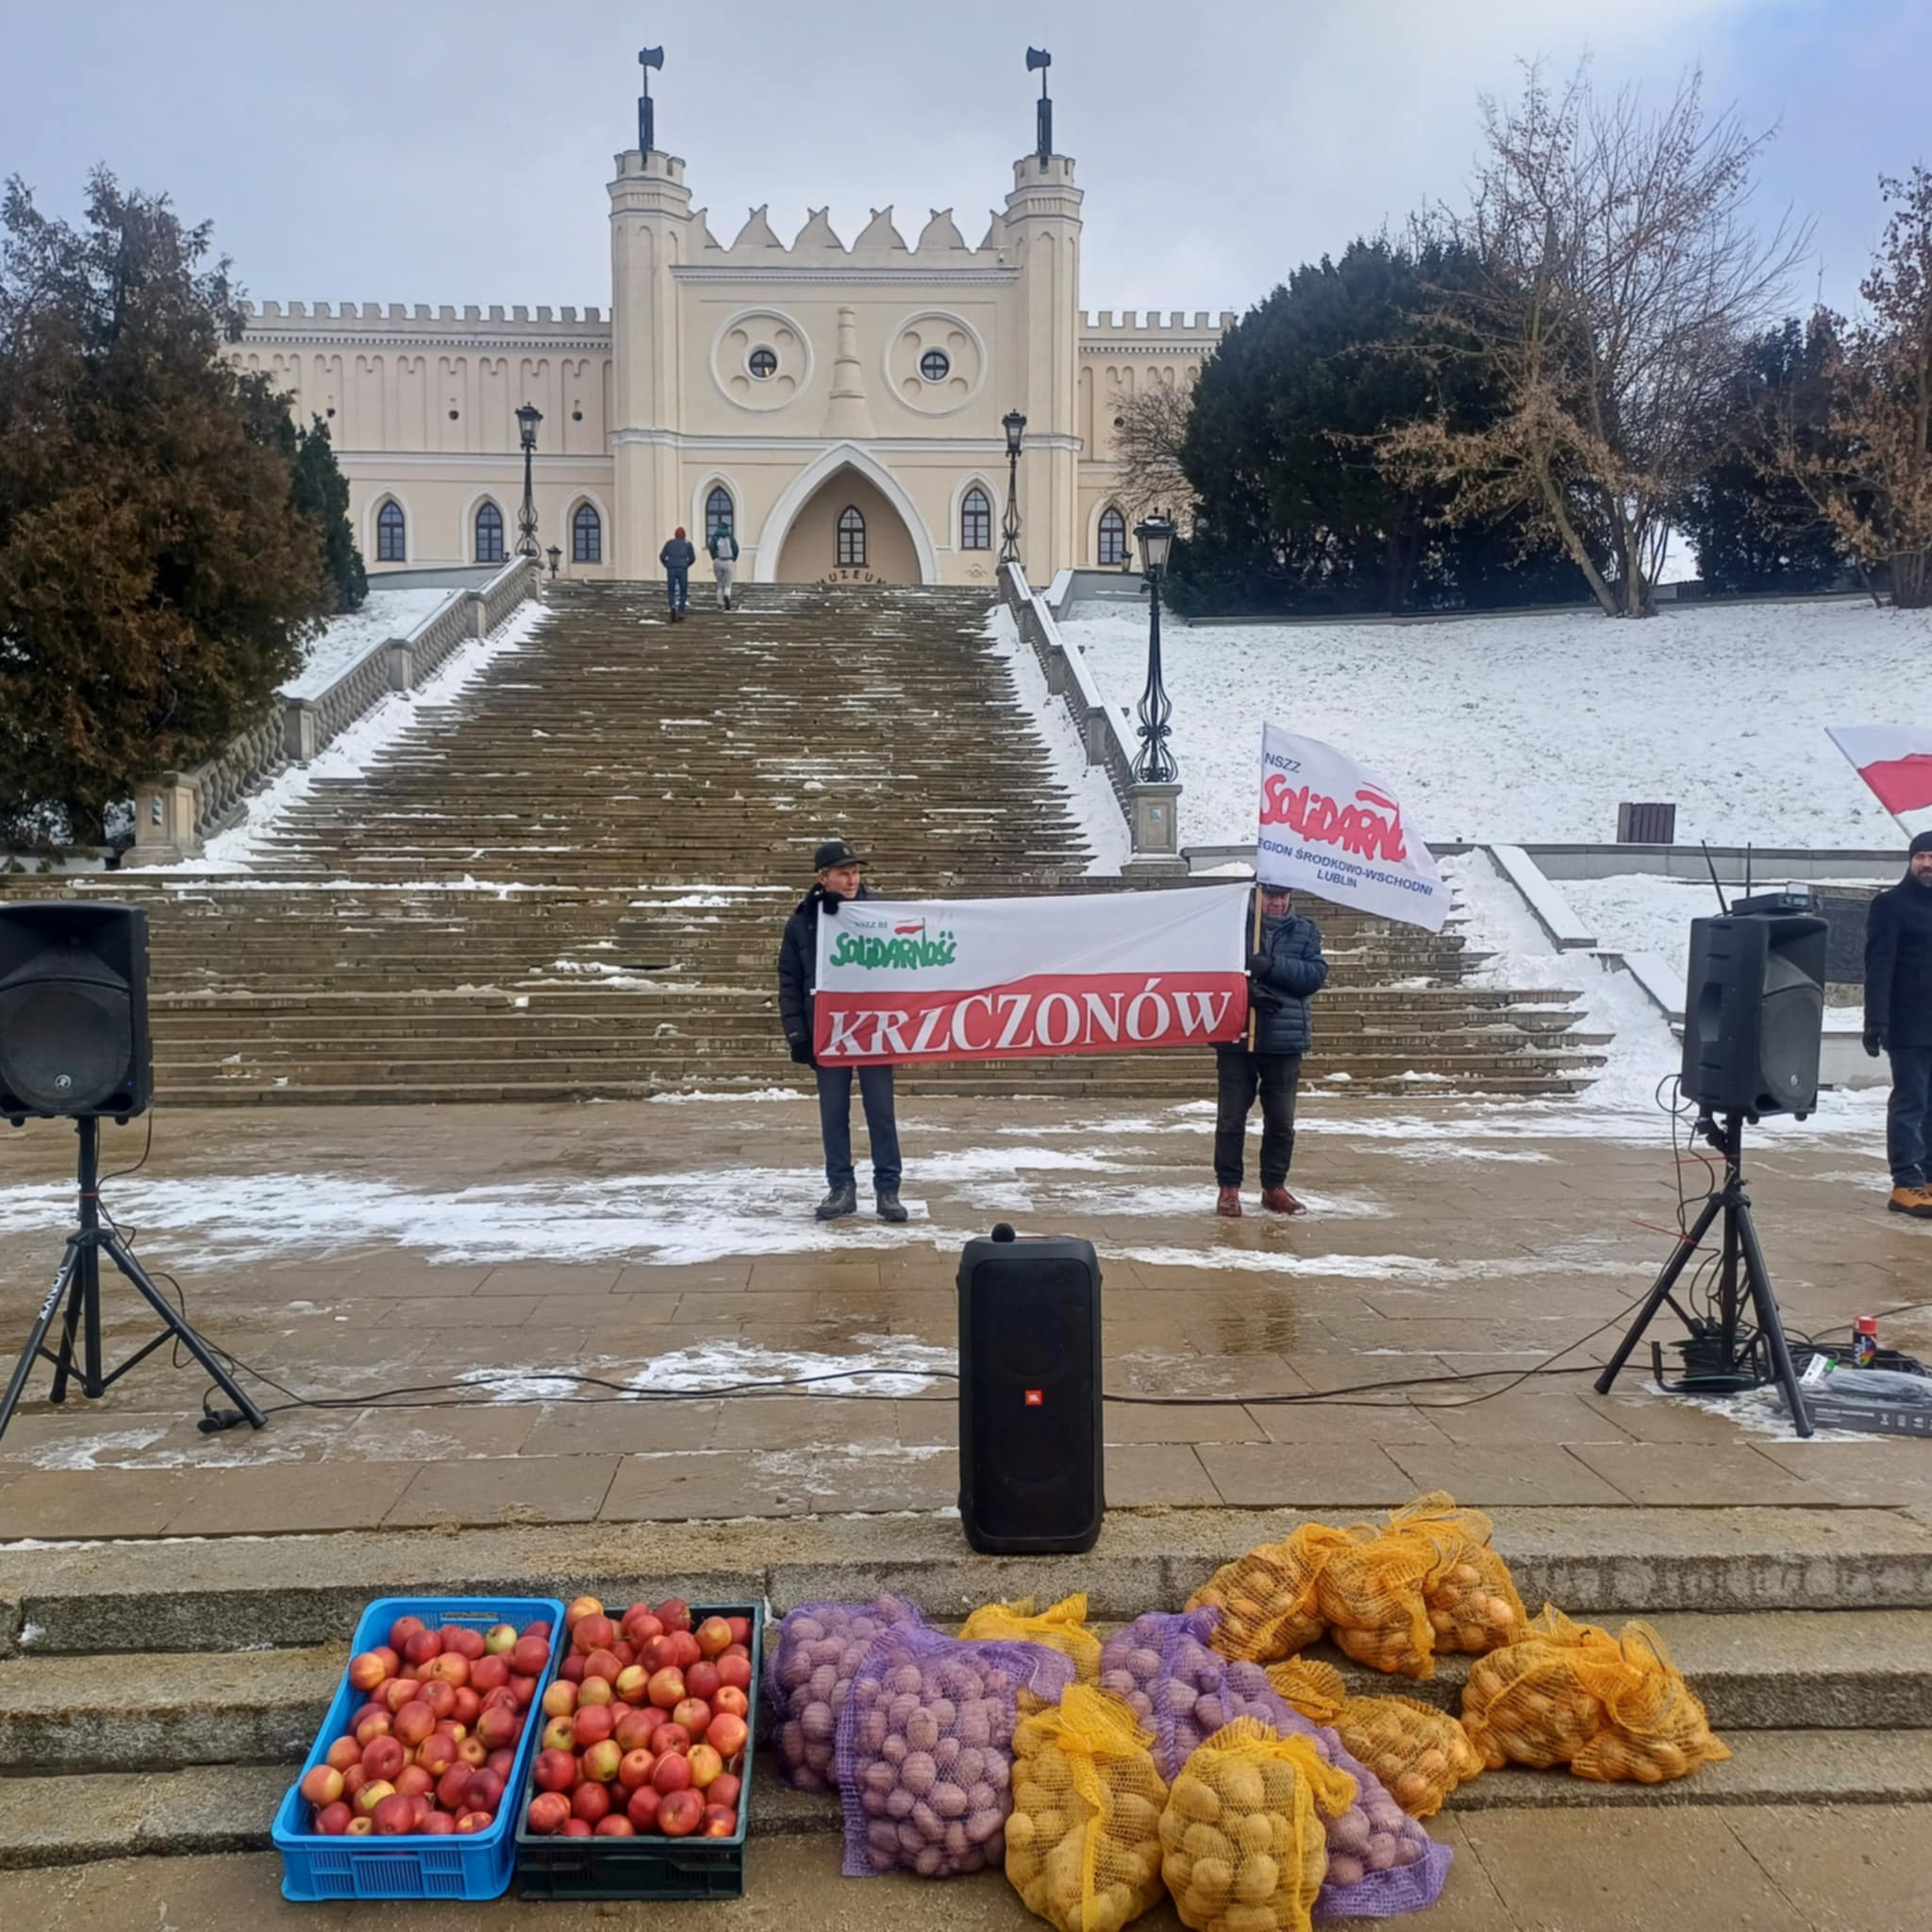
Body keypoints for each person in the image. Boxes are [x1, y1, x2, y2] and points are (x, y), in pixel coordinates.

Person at [777, 837, 906, 1223]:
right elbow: (789, 981)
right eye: (843, 874)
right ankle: (841, 1187)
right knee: (833, 1114)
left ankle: (888, 1189)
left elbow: (901, 968)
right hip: (828, 1031)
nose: (852, 880)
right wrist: (798, 1035)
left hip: (873, 1028)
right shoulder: (803, 921)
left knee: (881, 1112)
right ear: (824, 878)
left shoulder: (880, 914)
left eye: (855, 873)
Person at [1214, 879, 1328, 1217]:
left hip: (1284, 1039)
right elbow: (1216, 970)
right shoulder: (1234, 927)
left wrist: (1273, 966)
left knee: (1280, 1121)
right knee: (1231, 1119)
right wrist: (1245, 990)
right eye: (1271, 895)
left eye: (1283, 895)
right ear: (1257, 893)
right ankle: (1229, 1187)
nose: (1277, 902)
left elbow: (1313, 976)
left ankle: (1274, 1187)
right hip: (1237, 1036)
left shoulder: (1305, 930)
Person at [1865, 830, 1932, 1218]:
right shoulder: (1890, 905)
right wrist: (1876, 1019)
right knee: (1911, 1103)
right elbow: (1878, 964)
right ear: (1910, 861)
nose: (1926, 863)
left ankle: (1929, 1179)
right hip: (1907, 1023)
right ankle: (1906, 1183)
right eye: (1920, 856)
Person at [658, 526, 696, 622]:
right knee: (683, 591)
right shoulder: (687, 544)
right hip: (682, 568)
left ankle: (672, 606)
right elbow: (692, 558)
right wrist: (686, 564)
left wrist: (667, 564)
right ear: (684, 535)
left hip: (671, 568)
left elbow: (662, 556)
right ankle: (680, 611)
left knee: (671, 590)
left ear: (675, 535)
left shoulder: (669, 543)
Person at [708, 523, 741, 610]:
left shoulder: (714, 537)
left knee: (719, 583)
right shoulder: (730, 537)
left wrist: (714, 557)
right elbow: (736, 548)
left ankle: (719, 601)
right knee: (728, 583)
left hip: (718, 561)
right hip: (728, 562)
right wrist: (733, 558)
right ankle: (727, 595)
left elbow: (711, 547)